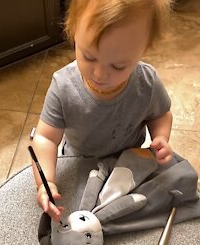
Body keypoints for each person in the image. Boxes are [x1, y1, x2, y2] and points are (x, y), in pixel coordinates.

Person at [31, 0, 173, 224]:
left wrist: (161, 137)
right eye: (89, 57)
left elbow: (160, 115)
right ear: (73, 31)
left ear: (142, 51)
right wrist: (46, 181)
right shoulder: (63, 86)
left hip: (127, 166)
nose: (99, 74)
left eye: (118, 66)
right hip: (80, 164)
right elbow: (45, 137)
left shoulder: (147, 83)